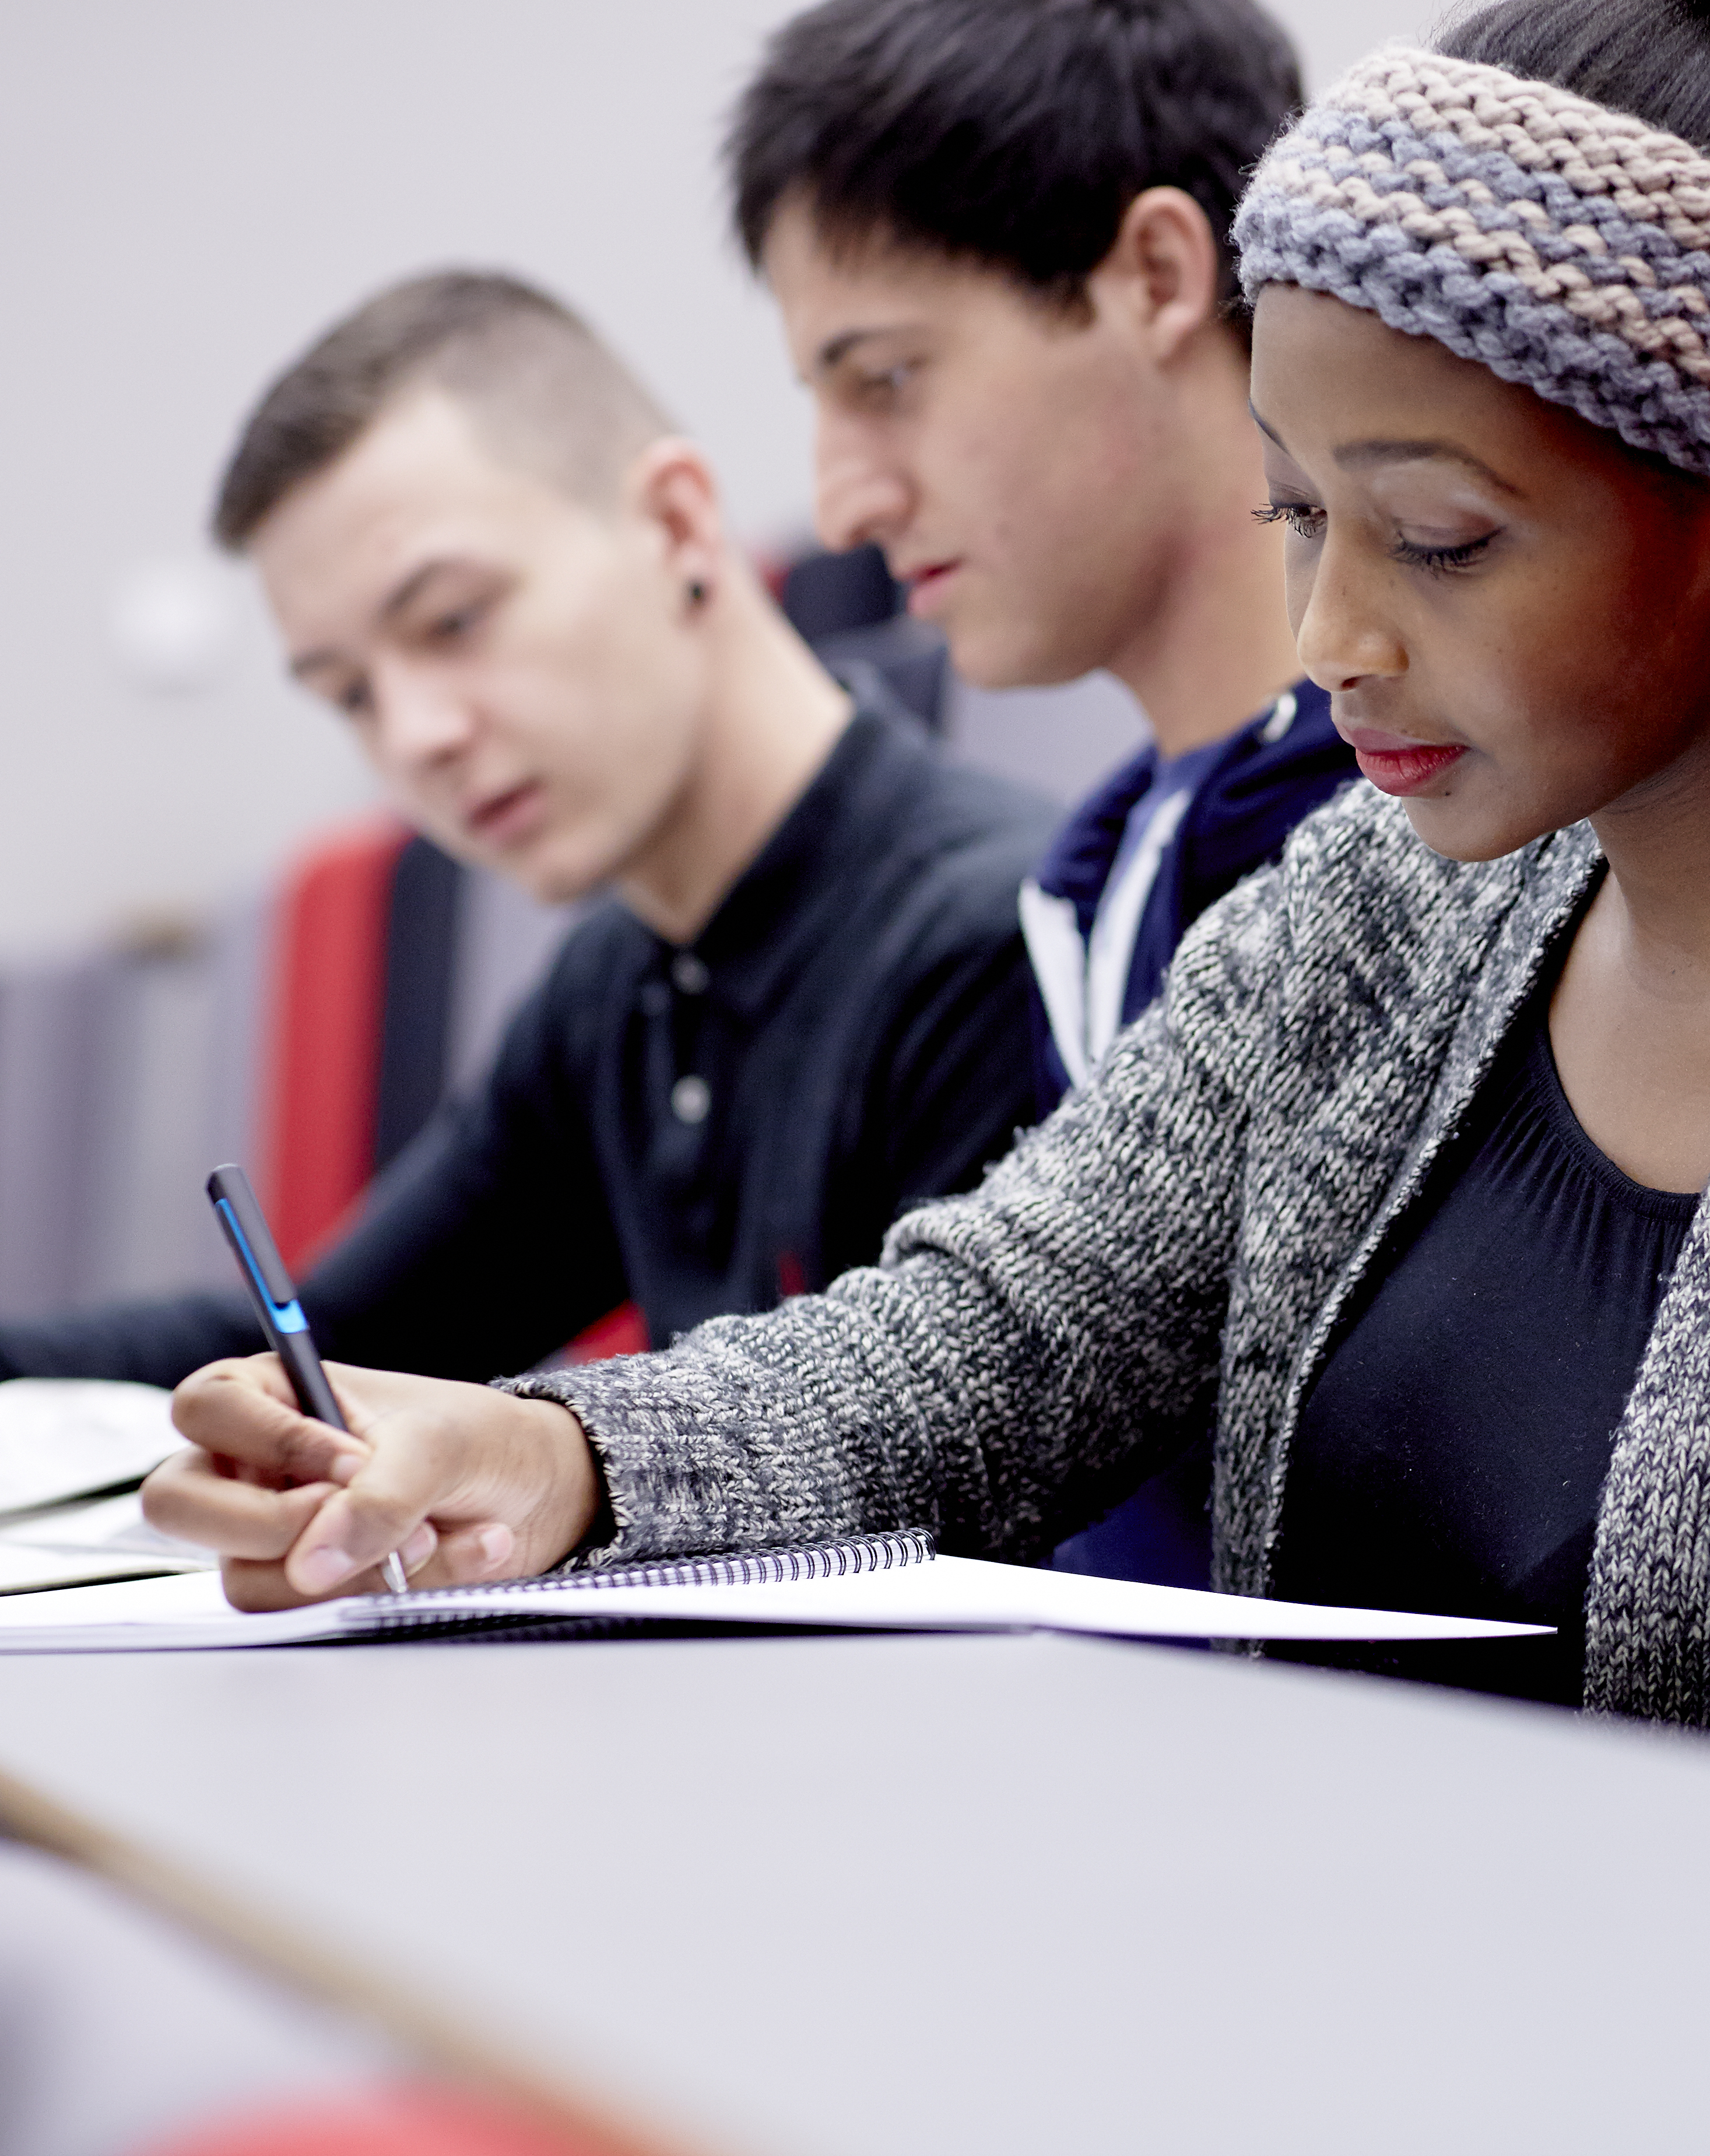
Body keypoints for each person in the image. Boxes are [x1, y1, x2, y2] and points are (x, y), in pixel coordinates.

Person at [145, 0, 1710, 1819]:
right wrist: (542, 1456)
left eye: (1440, 540)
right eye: (1299, 513)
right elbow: (1005, 1336)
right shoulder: (1391, 893)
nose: (1337, 634)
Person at [0, 273, 1054, 1388]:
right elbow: (334, 1349)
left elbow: (931, 1488)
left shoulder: (986, 945)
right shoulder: (623, 983)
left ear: (677, 524)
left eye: (454, 621)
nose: (414, 735)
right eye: (349, 693)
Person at [727, 0, 1365, 1581]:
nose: (842, 498)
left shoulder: (1425, 828)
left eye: (885, 379)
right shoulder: (1101, 869)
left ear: (1154, 276)